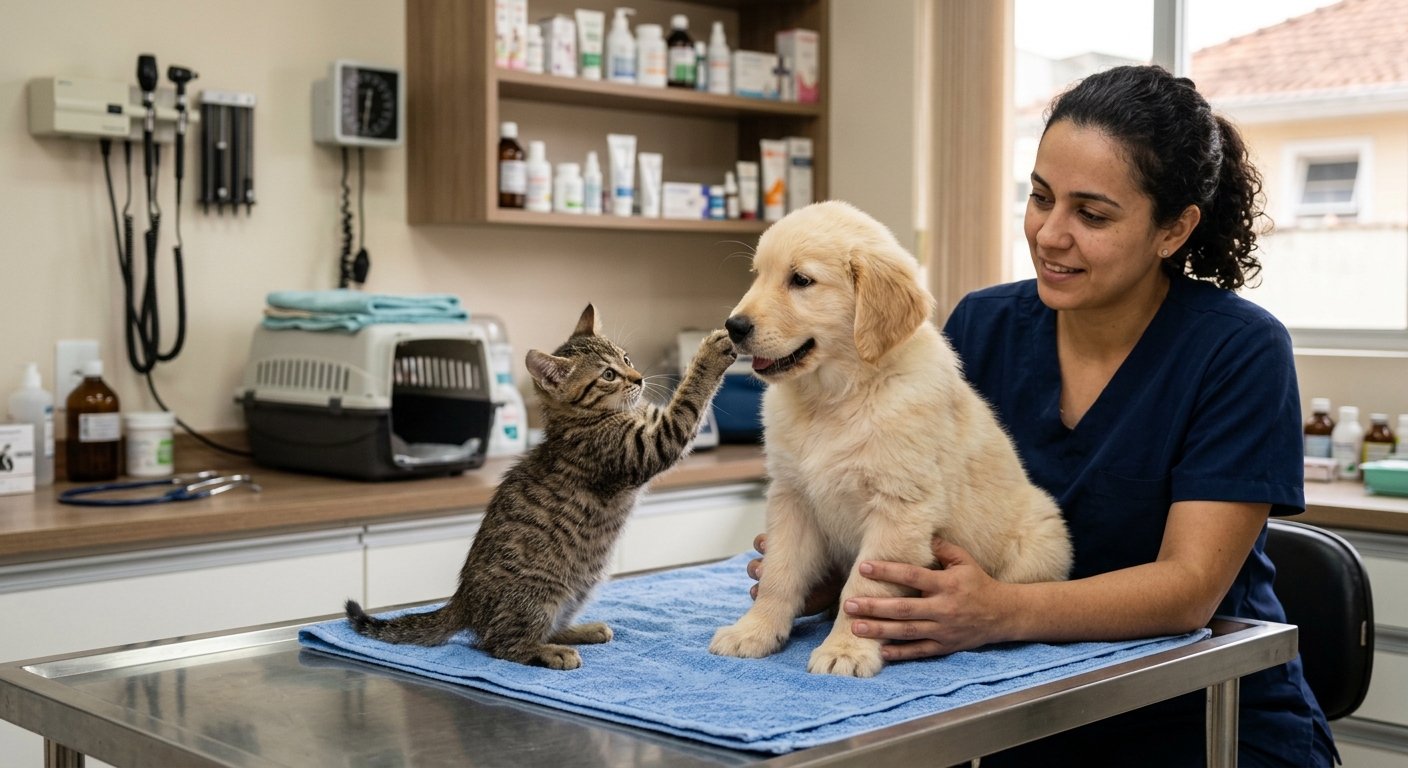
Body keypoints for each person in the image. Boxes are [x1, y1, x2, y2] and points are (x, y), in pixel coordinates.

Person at [746, 65, 1335, 766]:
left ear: (1173, 230)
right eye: (1039, 197)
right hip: (1016, 710)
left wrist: (999, 611)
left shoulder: (1237, 351)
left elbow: (1189, 589)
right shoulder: (984, 325)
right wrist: (841, 574)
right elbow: (924, 514)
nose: (1050, 234)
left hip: (1200, 716)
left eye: (1092, 214)